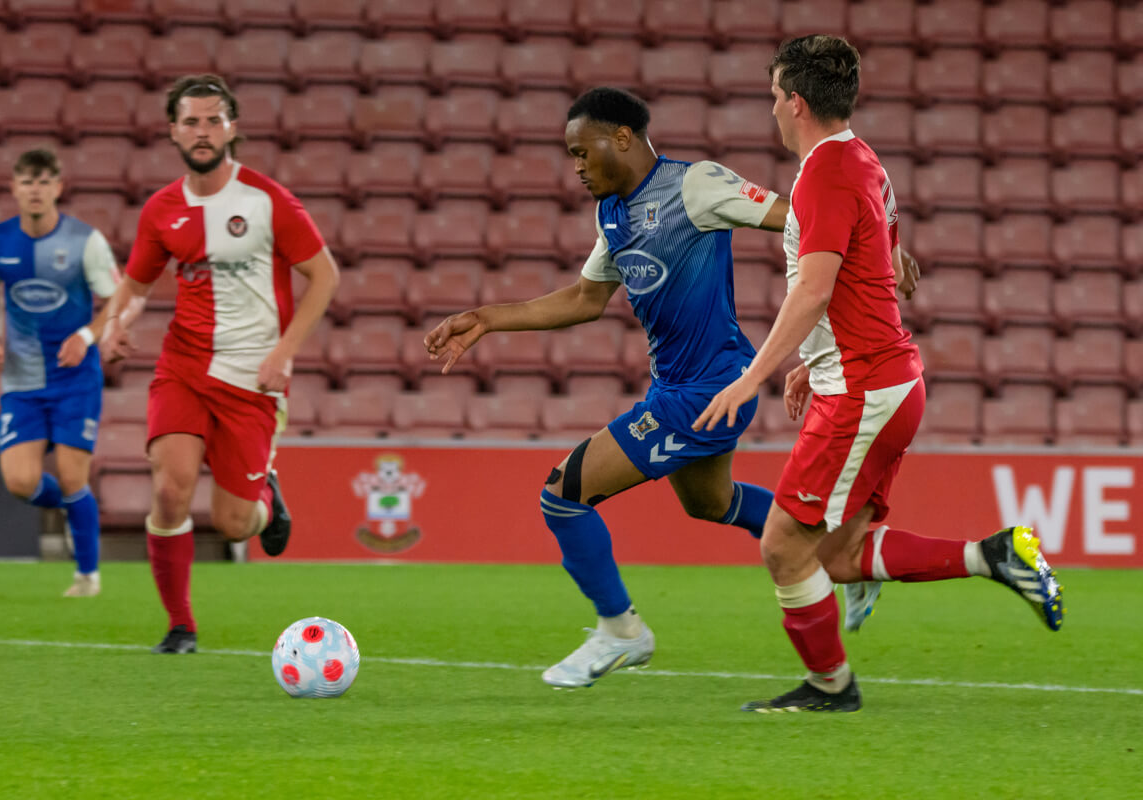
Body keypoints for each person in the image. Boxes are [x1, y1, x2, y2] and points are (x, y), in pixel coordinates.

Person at [424, 87, 904, 689]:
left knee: (562, 494)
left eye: (581, 151)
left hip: (711, 388)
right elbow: (586, 298)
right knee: (709, 503)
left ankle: (621, 631)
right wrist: (489, 318)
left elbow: (803, 215)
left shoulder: (694, 185)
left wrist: (886, 248)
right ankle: (845, 555)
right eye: (571, 155)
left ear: (621, 137)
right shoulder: (614, 214)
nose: (576, 166)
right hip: (675, 387)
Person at [693, 35, 1065, 713]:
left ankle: (831, 688)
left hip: (863, 387)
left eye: (775, 96)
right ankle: (997, 556)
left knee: (782, 547)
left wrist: (753, 376)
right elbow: (885, 263)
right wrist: (813, 359)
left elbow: (814, 288)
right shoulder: (862, 160)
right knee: (837, 555)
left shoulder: (826, 175)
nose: (772, 109)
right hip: (884, 379)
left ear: (796, 102)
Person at [100, 74, 340, 654]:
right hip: (182, 368)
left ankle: (266, 502)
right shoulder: (161, 210)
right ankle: (181, 625)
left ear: (233, 127)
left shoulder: (268, 200)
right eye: (191, 121)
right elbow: (135, 286)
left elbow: (324, 276)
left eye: (213, 120)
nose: (202, 132)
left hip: (251, 380)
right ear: (172, 130)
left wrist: (284, 351)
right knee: (170, 492)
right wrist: (116, 324)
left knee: (234, 523)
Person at [0, 148, 120, 598]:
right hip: (22, 381)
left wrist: (88, 336)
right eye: (26, 181)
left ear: (58, 187)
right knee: (20, 481)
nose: (35, 190)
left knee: (75, 476)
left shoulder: (86, 241)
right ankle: (79, 509)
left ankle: (87, 576)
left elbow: (118, 300)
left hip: (75, 379)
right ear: (14, 188)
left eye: (43, 181)